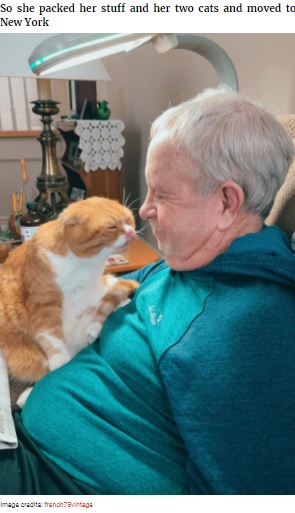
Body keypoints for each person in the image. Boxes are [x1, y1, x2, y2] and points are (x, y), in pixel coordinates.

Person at [1, 86, 295, 495]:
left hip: (49, 480)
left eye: (163, 194)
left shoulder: (248, 332)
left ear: (227, 202)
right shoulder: (192, 262)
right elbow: (120, 294)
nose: (145, 209)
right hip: (28, 426)